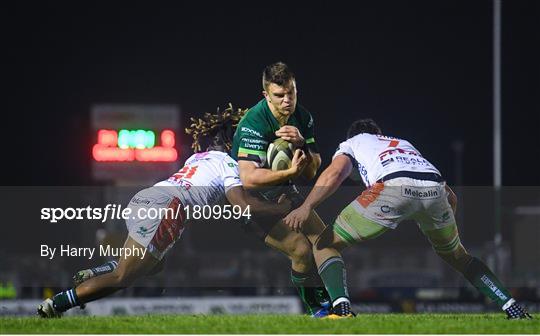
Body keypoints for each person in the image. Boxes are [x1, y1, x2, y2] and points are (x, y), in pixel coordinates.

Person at [37, 105, 292, 318]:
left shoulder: (198, 158)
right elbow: (243, 205)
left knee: (155, 266)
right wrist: (279, 207)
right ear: (230, 142)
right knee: (123, 276)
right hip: (166, 208)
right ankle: (57, 305)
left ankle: (102, 270)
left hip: (145, 198)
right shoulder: (228, 164)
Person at [284, 118, 533, 319]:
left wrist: (307, 206)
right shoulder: (402, 143)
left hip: (392, 187)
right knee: (458, 256)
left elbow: (335, 173)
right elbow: (451, 196)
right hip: (435, 190)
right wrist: (442, 224)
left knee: (325, 244)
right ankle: (510, 305)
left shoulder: (353, 142)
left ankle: (341, 310)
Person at [231, 62, 353, 318]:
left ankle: (341, 306)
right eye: (279, 95)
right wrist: (288, 173)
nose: (287, 100)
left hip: (286, 192)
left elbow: (312, 171)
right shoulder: (253, 123)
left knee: (325, 240)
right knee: (301, 250)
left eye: (291, 93)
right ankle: (317, 307)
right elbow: (249, 178)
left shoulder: (303, 117)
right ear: (265, 95)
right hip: (251, 202)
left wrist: (301, 144)